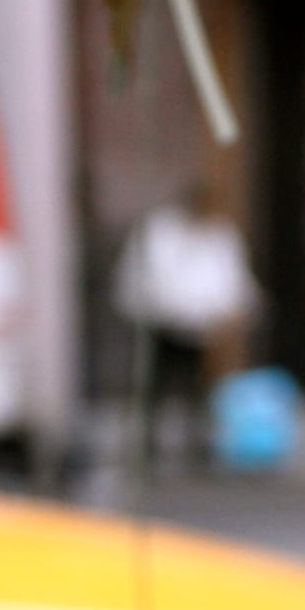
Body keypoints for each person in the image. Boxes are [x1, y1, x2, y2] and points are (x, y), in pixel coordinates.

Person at [112, 181, 260, 468]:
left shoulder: (219, 235)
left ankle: (196, 444)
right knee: (156, 386)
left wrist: (236, 309)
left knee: (198, 387)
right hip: (162, 322)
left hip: (203, 327)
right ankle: (149, 445)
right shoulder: (162, 232)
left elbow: (232, 279)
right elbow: (155, 281)